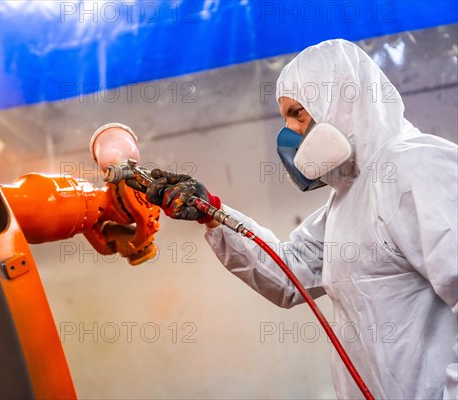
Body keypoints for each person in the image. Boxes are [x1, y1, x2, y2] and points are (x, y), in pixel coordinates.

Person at [130, 39, 458, 399]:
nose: (291, 133)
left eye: (298, 113)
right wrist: (211, 211)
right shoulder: (349, 198)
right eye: (285, 117)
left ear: (342, 101)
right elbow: (290, 274)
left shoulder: (415, 167)